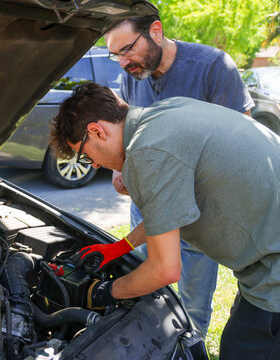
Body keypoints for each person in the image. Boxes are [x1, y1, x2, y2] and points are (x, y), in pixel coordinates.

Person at [50, 82, 280, 359]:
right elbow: (171, 210)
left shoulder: (147, 152)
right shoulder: (166, 112)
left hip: (273, 270)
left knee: (241, 350)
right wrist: (122, 246)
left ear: (96, 131)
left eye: (87, 156)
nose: (95, 165)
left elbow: (165, 270)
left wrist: (105, 292)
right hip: (268, 255)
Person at [103, 14, 254, 336]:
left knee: (192, 301)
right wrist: (121, 170)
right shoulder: (133, 75)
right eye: (116, 55)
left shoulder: (213, 65)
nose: (123, 62)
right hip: (148, 205)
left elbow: (241, 139)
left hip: (199, 210)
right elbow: (128, 134)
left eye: (127, 49)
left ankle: (190, 345)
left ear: (155, 32)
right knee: (142, 275)